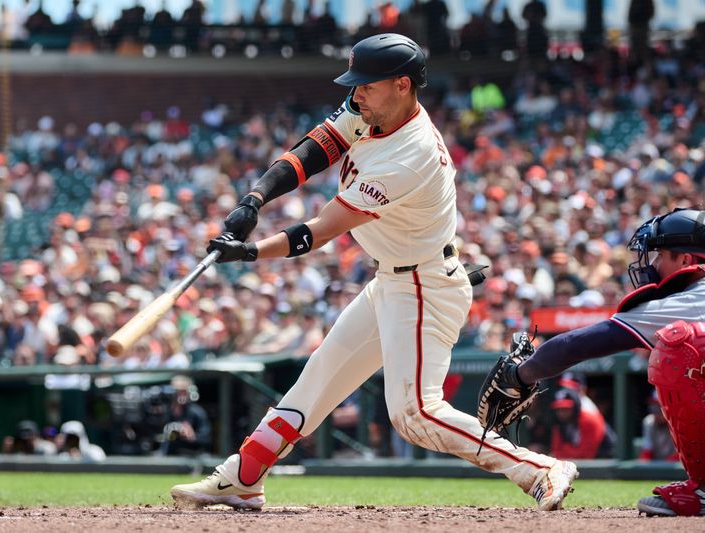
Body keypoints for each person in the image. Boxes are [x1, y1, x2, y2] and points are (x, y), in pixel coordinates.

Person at [171, 33, 577, 512]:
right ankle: (242, 477)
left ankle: (539, 469)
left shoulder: (410, 155)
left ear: (402, 85)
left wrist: (250, 253)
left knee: (415, 414)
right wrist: (254, 199)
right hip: (394, 279)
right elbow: (316, 148)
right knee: (317, 380)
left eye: (367, 84)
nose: (355, 92)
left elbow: (322, 229)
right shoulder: (371, 111)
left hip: (424, 285)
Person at [485, 207, 705, 516]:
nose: (652, 264)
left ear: (686, 260)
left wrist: (521, 374)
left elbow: (579, 344)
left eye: (660, 255)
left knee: (679, 346)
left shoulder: (691, 297)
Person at [159, 375, 212, 456]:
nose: (181, 395)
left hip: (191, 456)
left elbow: (206, 439)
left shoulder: (196, 412)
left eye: (184, 391)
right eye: (178, 391)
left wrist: (192, 436)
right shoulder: (165, 411)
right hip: (168, 455)